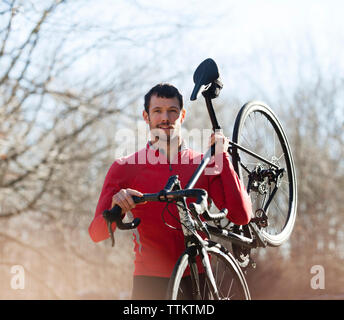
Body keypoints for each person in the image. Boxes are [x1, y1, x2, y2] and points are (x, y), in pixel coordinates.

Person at [89, 83, 253, 299]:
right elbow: (96, 232)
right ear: (146, 117)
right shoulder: (124, 167)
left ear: (182, 115)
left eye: (172, 111)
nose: (165, 118)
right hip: (149, 282)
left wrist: (222, 157)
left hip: (198, 278)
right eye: (157, 111)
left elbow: (240, 216)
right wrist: (116, 209)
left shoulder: (203, 163)